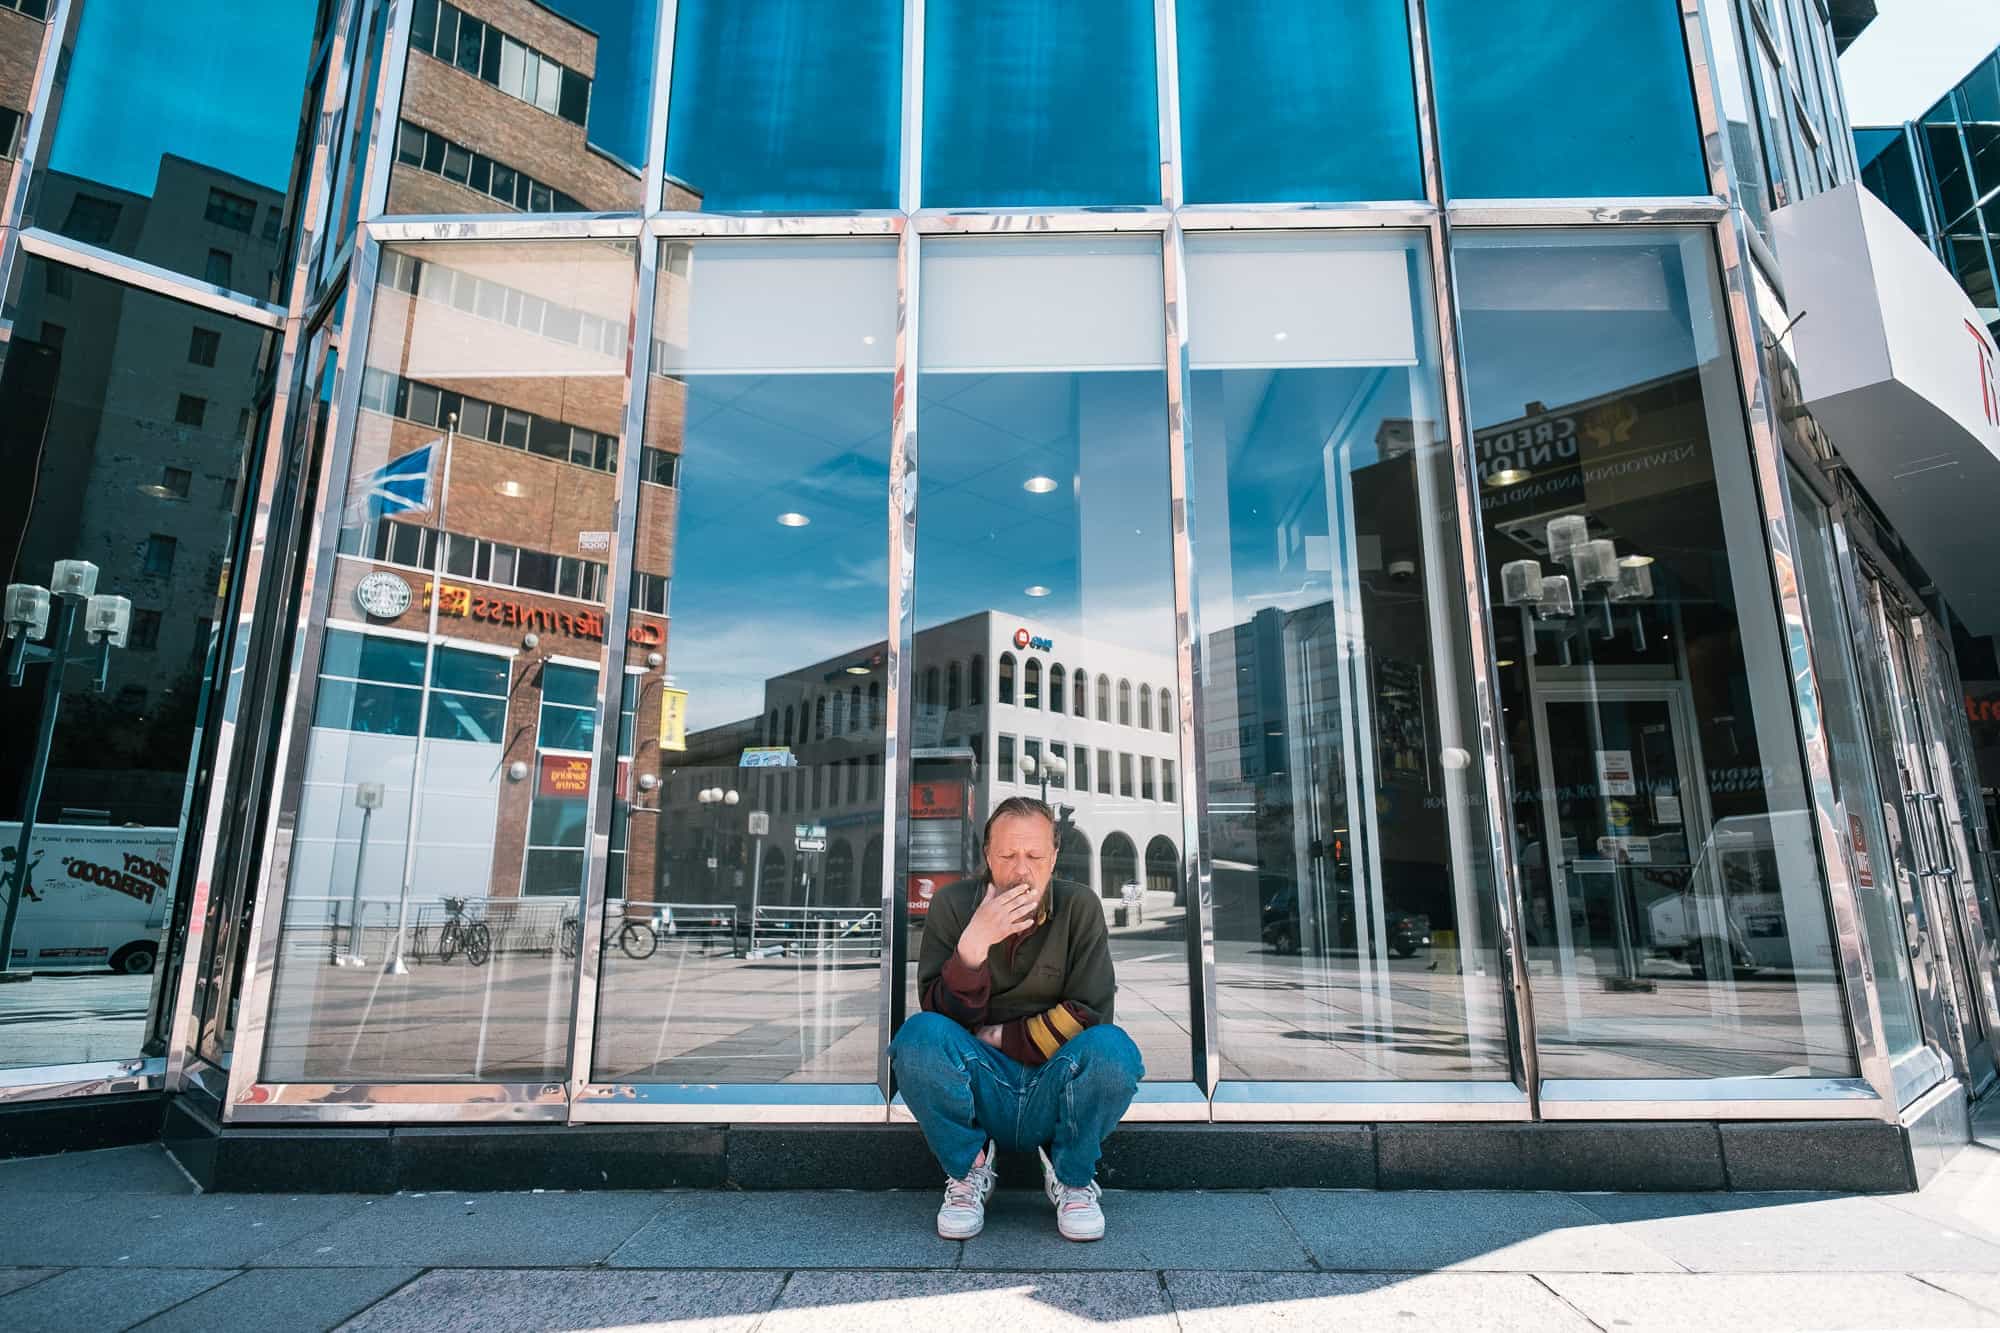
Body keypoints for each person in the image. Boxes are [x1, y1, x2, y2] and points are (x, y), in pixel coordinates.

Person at [890, 796, 1143, 1243]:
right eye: (1007, 856)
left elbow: (1090, 1011)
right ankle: (969, 1171)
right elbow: (940, 1021)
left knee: (1114, 1051)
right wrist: (973, 948)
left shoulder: (1078, 906)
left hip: (1054, 1077)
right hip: (981, 1081)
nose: (1021, 870)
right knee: (916, 1040)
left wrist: (1000, 1035)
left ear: (1054, 858)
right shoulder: (952, 904)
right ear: (988, 856)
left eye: (1034, 856)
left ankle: (1073, 1177)